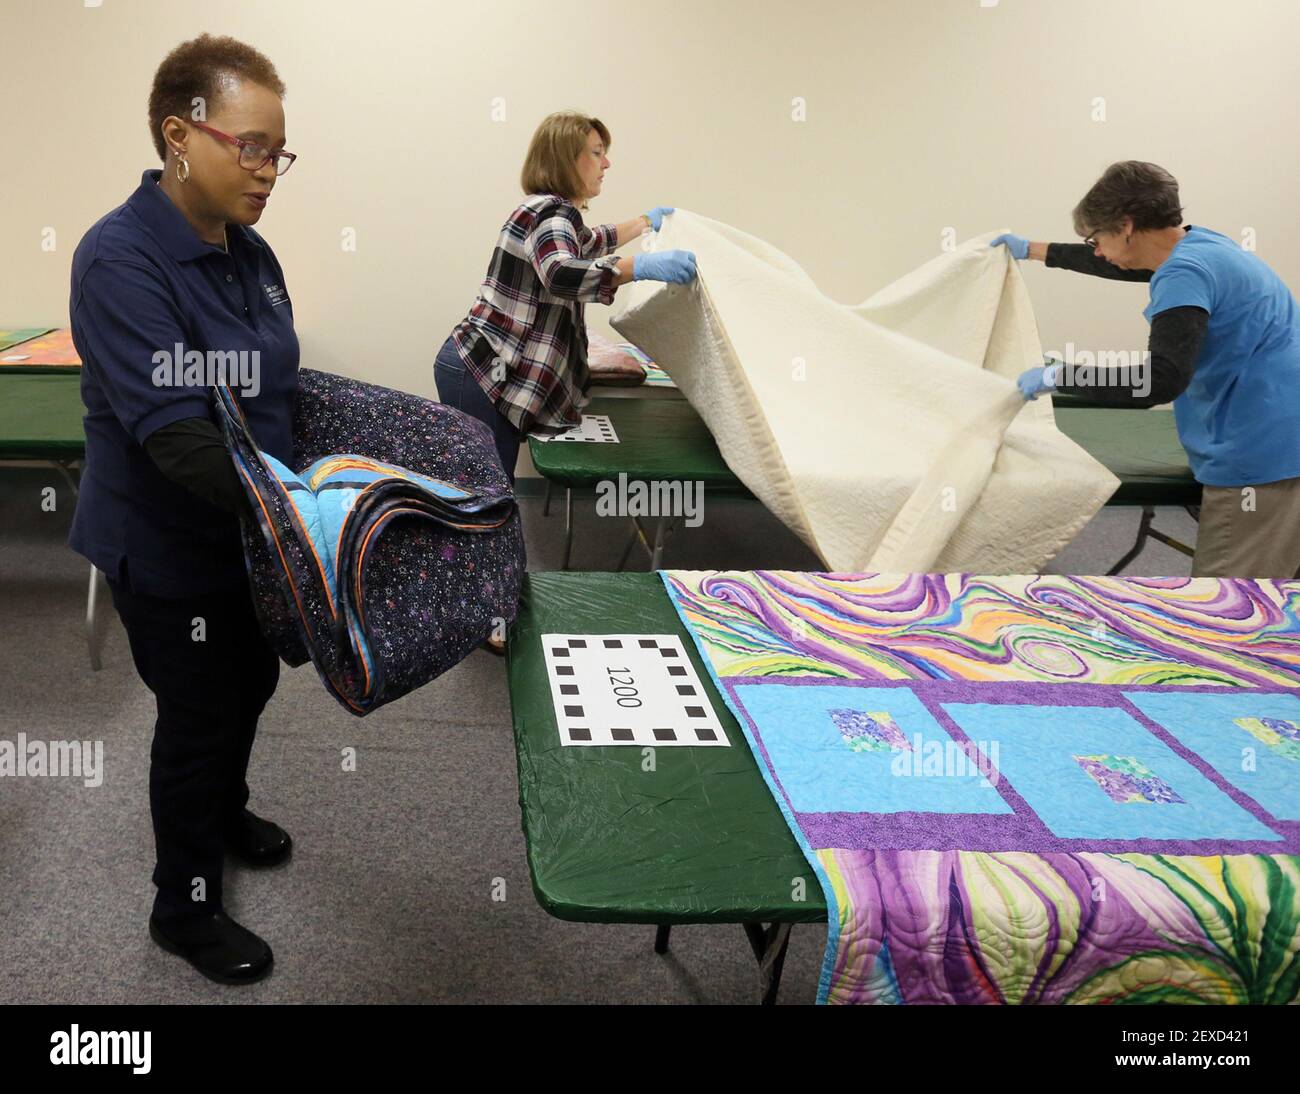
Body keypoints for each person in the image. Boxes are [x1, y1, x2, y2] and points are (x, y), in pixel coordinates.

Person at [68, 34, 300, 984]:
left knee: (250, 684)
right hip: (165, 546)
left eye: (278, 152)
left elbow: (276, 384)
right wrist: (308, 510)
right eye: (250, 147)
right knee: (199, 714)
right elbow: (179, 440)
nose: (269, 172)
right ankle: (184, 907)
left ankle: (225, 809)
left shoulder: (250, 252)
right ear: (178, 135)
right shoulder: (118, 262)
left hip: (246, 534)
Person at [992, 160, 1300, 578]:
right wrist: (1034, 250)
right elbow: (1120, 263)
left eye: (1095, 237)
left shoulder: (1183, 275)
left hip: (1265, 456)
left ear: (1126, 226)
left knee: (1229, 609)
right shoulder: (1202, 247)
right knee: (1277, 593)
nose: (1095, 248)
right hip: (1284, 430)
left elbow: (1158, 382)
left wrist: (1061, 376)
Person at [435, 110, 697, 485]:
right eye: (596, 152)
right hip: (480, 372)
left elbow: (590, 242)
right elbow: (561, 274)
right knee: (485, 492)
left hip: (476, 366)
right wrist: (639, 266)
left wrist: (644, 222)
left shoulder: (551, 214)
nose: (607, 163)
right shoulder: (551, 215)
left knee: (488, 488)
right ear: (565, 159)